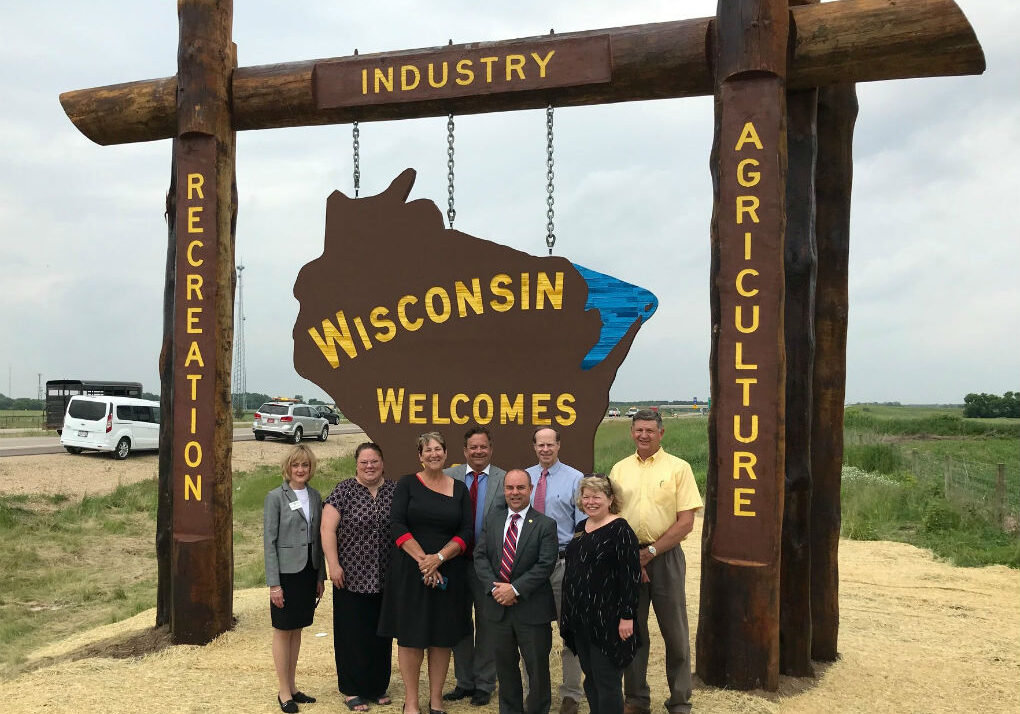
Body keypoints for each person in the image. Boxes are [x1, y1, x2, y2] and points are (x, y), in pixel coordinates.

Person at [609, 410, 703, 714]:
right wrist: (630, 557)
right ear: (631, 432)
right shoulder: (619, 469)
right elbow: (611, 516)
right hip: (627, 558)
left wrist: (651, 552)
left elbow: (686, 521)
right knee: (632, 631)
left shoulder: (679, 468)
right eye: (638, 430)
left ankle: (679, 700)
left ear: (661, 433)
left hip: (665, 556)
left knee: (675, 632)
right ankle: (635, 699)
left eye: (650, 430)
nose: (644, 435)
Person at [378, 432, 473, 714]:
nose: (433, 454)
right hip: (411, 571)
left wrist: (439, 558)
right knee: (411, 637)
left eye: (438, 449)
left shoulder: (459, 489)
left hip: (448, 571)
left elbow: (466, 531)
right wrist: (424, 561)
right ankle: (411, 701)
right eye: (427, 450)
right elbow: (396, 524)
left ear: (446, 454)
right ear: (420, 456)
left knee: (440, 638)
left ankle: (436, 699)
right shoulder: (407, 484)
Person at [474, 469, 558, 714]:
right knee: (506, 668)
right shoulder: (493, 519)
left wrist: (515, 589)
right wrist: (495, 589)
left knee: (537, 670)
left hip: (532, 610)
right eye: (510, 488)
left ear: (530, 490)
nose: (515, 493)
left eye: (520, 488)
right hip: (498, 608)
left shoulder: (545, 524)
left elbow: (545, 564)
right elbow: (480, 557)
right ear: (504, 490)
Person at [321, 442, 396, 711]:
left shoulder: (394, 491)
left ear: (382, 463)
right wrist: (334, 564)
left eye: (374, 461)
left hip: (385, 577)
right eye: (364, 462)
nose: (369, 466)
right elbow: (327, 529)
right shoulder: (344, 491)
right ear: (356, 464)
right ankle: (352, 689)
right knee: (351, 634)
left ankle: (377, 687)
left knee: (380, 634)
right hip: (350, 576)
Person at [561, 476, 641, 714]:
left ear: (610, 499)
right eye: (586, 496)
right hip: (582, 619)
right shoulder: (580, 527)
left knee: (607, 681)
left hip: (608, 619)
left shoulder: (621, 530)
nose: (590, 502)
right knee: (591, 678)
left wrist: (627, 616)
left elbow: (630, 577)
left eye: (596, 496)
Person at [443, 426, 507, 707]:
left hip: (489, 566)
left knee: (487, 625)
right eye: (473, 447)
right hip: (455, 564)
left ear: (491, 449)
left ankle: (484, 683)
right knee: (458, 624)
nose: (478, 451)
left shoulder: (505, 480)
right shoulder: (449, 477)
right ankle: (464, 682)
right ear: (464, 451)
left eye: (483, 446)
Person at [526, 426, 585, 714]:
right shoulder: (525, 479)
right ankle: (533, 693)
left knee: (569, 631)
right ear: (534, 447)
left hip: (563, 564)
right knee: (531, 633)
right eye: (540, 445)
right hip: (531, 567)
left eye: (550, 444)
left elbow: (583, 527)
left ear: (559, 445)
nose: (545, 449)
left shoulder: (576, 479)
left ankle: (571, 694)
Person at [264, 444, 326, 714]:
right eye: (296, 465)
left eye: (305, 465)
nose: (301, 470)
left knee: (298, 629)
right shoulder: (275, 497)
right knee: (283, 629)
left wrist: (320, 576)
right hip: (285, 575)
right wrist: (273, 583)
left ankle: (293, 685)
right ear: (288, 468)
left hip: (308, 571)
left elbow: (319, 539)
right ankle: (283, 691)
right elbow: (269, 542)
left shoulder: (315, 496)